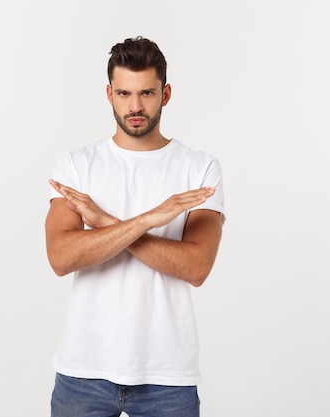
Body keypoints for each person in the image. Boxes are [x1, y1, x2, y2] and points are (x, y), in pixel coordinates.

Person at [45, 36, 225, 417]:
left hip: (167, 373)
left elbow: (196, 268)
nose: (136, 106)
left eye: (147, 93)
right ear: (109, 94)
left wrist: (106, 224)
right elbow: (61, 258)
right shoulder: (77, 165)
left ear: (166, 93)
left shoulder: (199, 169)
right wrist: (149, 220)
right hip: (84, 369)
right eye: (125, 93)